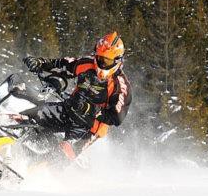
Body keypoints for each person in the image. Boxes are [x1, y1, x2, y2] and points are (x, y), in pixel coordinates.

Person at [21, 31, 132, 159]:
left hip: (90, 127)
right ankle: (10, 148)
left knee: (61, 155)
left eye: (106, 61)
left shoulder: (120, 86)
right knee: (30, 115)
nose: (101, 63)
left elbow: (116, 118)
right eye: (99, 57)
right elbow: (63, 64)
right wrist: (41, 63)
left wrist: (91, 109)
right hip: (68, 109)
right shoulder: (87, 63)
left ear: (117, 61)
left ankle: (39, 169)